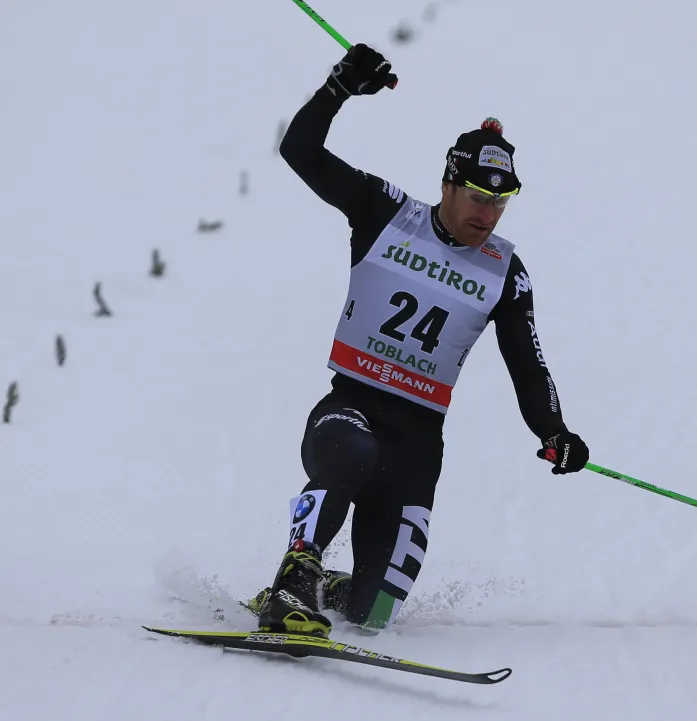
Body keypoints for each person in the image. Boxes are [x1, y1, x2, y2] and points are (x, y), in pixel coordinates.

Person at [249, 43, 591, 638]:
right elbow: (299, 152)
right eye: (479, 196)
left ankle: (337, 591)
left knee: (373, 614)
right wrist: (339, 88)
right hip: (350, 411)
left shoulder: (505, 271)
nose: (489, 213)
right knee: (353, 454)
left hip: (418, 440)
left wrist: (554, 433)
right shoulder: (387, 212)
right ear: (449, 183)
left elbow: (527, 365)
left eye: (501, 201)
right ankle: (293, 580)